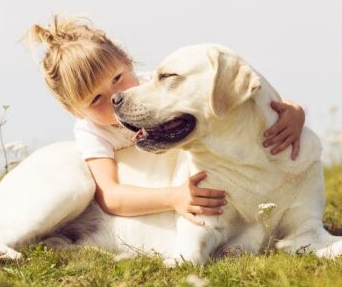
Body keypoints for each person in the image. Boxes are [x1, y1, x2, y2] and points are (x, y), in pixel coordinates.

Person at [27, 15, 305, 226]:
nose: (115, 96)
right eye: (95, 100)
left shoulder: (155, 90)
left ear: (129, 62)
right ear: (76, 111)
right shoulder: (92, 132)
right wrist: (173, 197)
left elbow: (230, 97)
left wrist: (294, 111)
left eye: (117, 79)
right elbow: (111, 196)